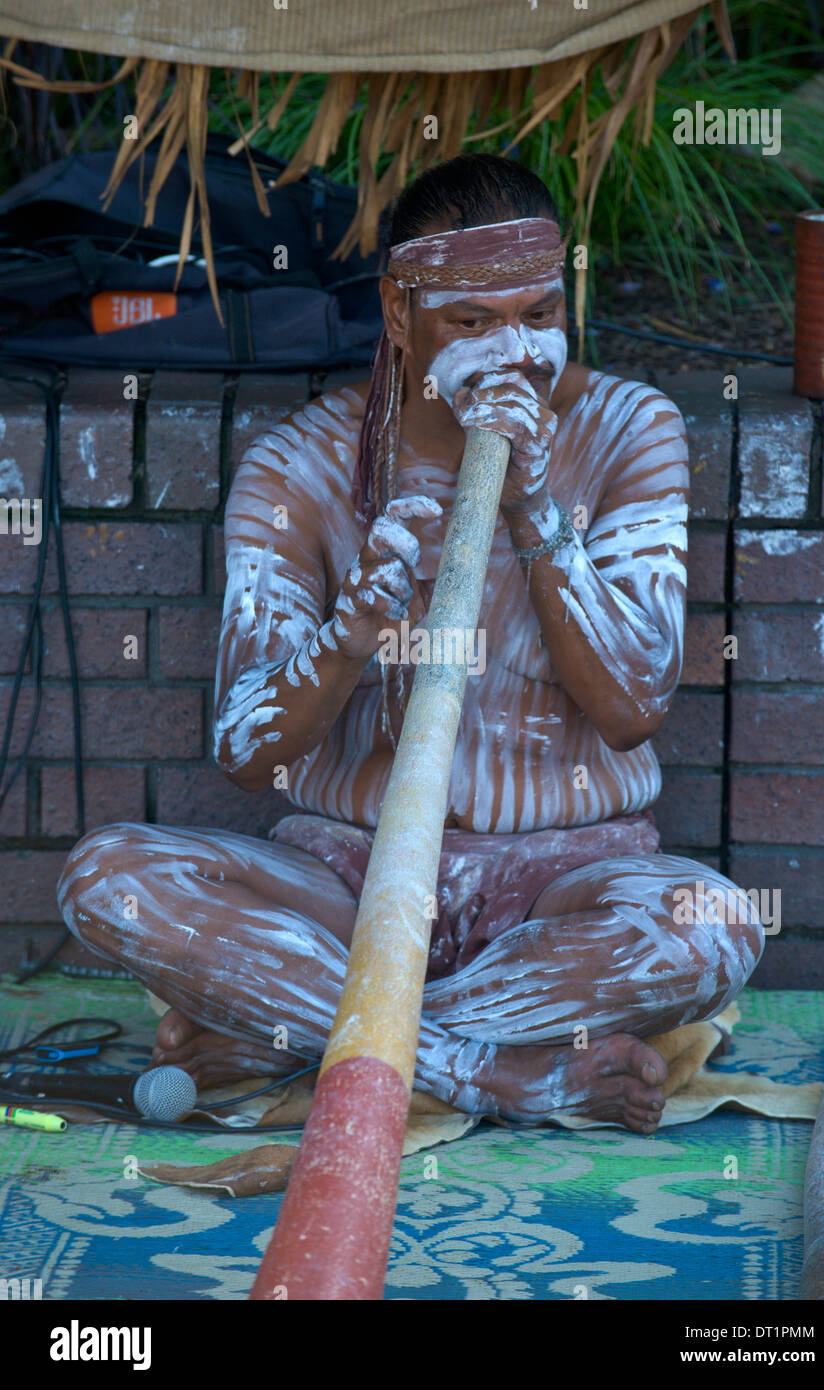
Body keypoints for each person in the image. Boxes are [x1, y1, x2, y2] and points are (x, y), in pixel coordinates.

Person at [57, 153, 763, 1132]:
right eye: (470, 325)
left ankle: (299, 1034)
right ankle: (494, 1076)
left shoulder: (623, 428)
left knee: (714, 924)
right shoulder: (300, 467)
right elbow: (245, 751)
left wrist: (533, 509)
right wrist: (345, 638)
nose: (512, 355)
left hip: (560, 884)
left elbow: (632, 703)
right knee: (109, 880)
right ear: (399, 315)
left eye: (539, 318)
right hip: (345, 882)